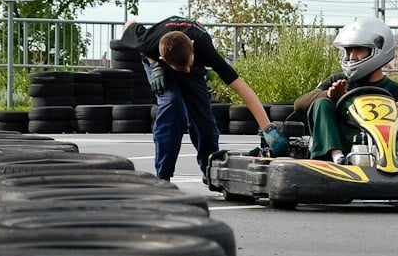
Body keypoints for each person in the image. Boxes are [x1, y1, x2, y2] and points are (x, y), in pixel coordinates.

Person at [121, 15, 287, 180]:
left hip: (193, 68)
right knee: (172, 105)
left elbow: (242, 89)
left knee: (204, 122)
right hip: (162, 68)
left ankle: (210, 170)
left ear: (192, 46)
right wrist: (155, 64)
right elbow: (130, 23)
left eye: (188, 65)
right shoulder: (148, 41)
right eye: (183, 68)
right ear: (162, 56)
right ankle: (163, 176)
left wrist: (268, 129)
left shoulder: (204, 46)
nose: (186, 70)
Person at [294, 18, 398, 164]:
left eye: (358, 49)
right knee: (322, 103)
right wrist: (329, 95)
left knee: (395, 134)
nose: (352, 57)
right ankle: (336, 157)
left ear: (378, 49)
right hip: (342, 147)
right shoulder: (339, 81)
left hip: (381, 148)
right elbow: (299, 104)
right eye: (349, 50)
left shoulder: (395, 90)